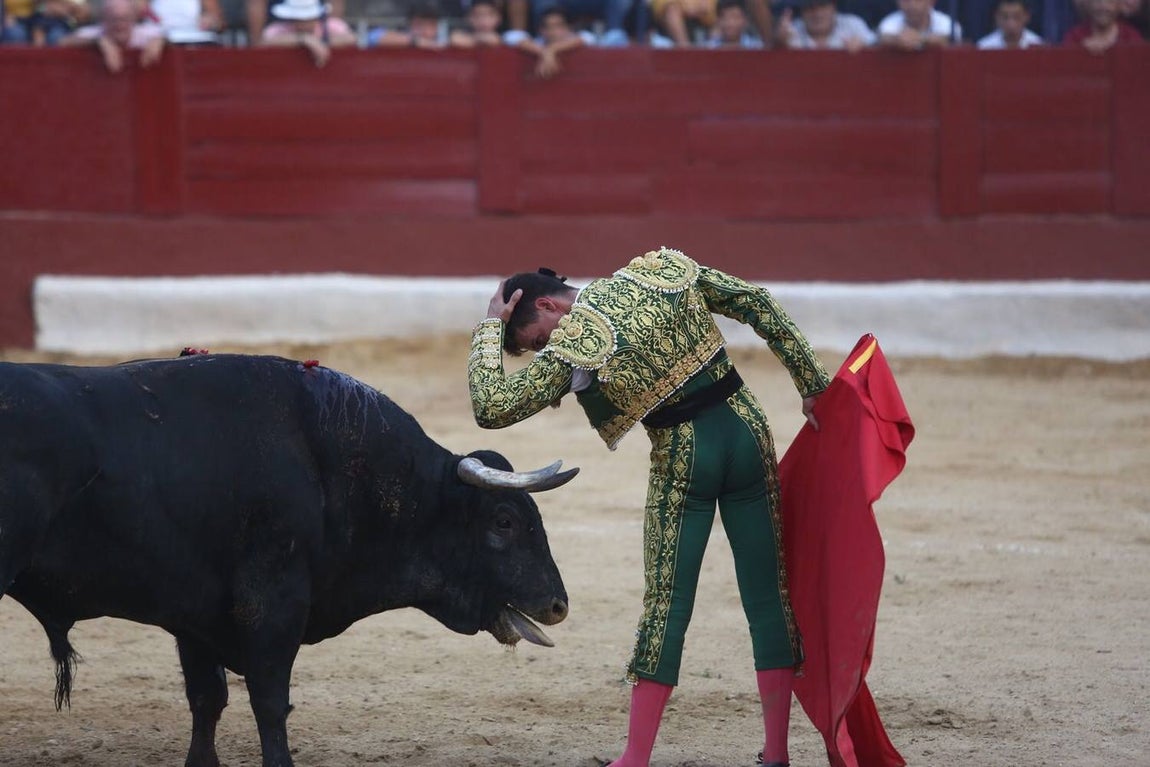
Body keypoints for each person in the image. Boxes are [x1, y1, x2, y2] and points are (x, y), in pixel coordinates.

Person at [467, 247, 830, 767]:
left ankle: (634, 759)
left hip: (687, 455)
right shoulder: (656, 271)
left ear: (548, 306)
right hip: (749, 432)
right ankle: (776, 755)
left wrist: (487, 328)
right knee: (769, 595)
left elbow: (491, 406)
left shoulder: (575, 341)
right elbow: (756, 301)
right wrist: (812, 384)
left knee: (667, 604)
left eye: (538, 340)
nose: (545, 349)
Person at [59, 0, 164, 71]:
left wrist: (160, 41)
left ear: (134, 19)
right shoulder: (97, 34)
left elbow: (170, 39)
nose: (119, 24)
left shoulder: (145, 33)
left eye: (124, 18)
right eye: (114, 19)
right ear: (104, 20)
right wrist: (98, 42)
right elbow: (62, 42)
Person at [259, 0, 355, 67]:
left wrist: (320, 43)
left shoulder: (331, 25)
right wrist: (304, 39)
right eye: (300, 20)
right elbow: (264, 43)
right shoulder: (279, 29)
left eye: (308, 18)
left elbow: (351, 38)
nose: (304, 24)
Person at [505, 7, 595, 78]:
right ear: (540, 30)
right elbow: (512, 36)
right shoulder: (538, 42)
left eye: (558, 26)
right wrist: (545, 52)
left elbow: (588, 37)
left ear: (569, 28)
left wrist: (552, 49)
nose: (552, 31)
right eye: (547, 27)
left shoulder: (574, 38)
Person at [777, 0, 875, 48]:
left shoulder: (853, 24)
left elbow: (876, 43)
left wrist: (864, 45)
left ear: (834, 6)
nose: (817, 14)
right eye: (810, 8)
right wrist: (779, 44)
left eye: (823, 6)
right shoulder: (792, 29)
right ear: (802, 11)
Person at [876, 0, 961, 48]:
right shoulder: (888, 22)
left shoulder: (947, 23)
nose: (912, 5)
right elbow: (883, 37)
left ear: (932, 2)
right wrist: (897, 40)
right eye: (906, 1)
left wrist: (921, 39)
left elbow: (951, 40)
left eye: (918, 0)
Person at [1062, 0, 1143, 49]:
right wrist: (1081, 51)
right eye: (1097, 1)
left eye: (1110, 1)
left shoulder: (1131, 36)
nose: (1103, 7)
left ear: (1119, 5)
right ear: (1088, 4)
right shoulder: (1075, 37)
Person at [370, 0, 446, 47]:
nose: (424, 30)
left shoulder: (442, 39)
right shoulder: (402, 35)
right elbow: (373, 36)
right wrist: (415, 42)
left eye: (431, 25)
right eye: (418, 24)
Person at [977, 0, 1043, 46]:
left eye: (1016, 17)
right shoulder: (984, 47)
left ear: (1026, 16)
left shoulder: (1039, 45)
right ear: (996, 17)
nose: (1011, 24)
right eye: (1005, 17)